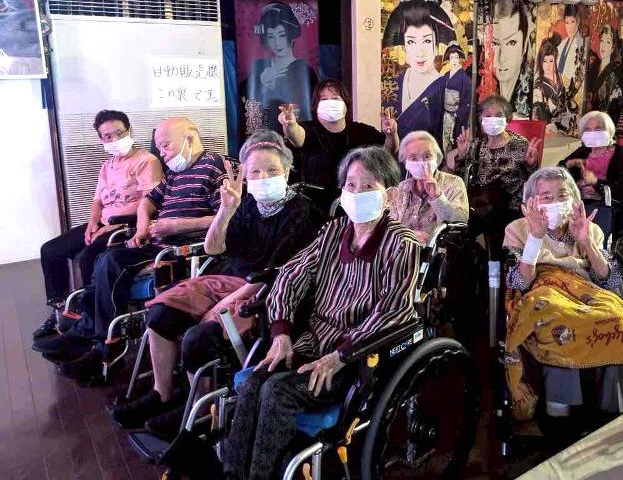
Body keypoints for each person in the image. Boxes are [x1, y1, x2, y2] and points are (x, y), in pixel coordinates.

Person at [222, 146, 421, 480]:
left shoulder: (401, 244)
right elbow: (290, 275)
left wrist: (341, 355)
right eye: (351, 185)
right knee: (255, 381)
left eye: (368, 186)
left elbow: (393, 310)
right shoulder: (333, 232)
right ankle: (232, 473)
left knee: (277, 392)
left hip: (356, 359)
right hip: (312, 342)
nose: (357, 193)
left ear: (389, 195)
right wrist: (281, 333)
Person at [109, 131, 322, 440]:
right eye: (255, 172)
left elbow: (279, 274)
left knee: (200, 337)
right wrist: (226, 209)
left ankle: (199, 416)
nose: (263, 178)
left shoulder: (303, 212)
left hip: (268, 291)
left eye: (272, 170)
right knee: (160, 314)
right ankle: (162, 394)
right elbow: (213, 248)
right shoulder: (246, 204)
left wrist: (222, 305)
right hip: (229, 278)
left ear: (287, 171)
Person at [33, 117, 228, 382]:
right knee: (102, 258)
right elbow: (148, 201)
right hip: (155, 240)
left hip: (180, 248)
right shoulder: (175, 172)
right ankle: (89, 332)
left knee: (110, 262)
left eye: (166, 146)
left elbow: (224, 217)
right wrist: (142, 225)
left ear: (189, 139)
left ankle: (106, 347)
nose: (162, 153)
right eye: (159, 147)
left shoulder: (216, 166)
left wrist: (176, 225)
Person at [504, 167, 623, 422]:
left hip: (585, 290)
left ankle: (610, 412)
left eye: (562, 195)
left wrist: (586, 241)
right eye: (546, 197)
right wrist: (535, 238)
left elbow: (609, 279)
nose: (556, 202)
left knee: (618, 318)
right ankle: (560, 415)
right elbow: (520, 282)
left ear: (573, 198)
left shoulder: (589, 229)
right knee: (559, 318)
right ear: (531, 203)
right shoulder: (518, 229)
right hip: (542, 291)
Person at [35, 110, 162, 339]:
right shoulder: (107, 166)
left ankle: (89, 317)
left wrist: (112, 225)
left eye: (119, 133)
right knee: (51, 250)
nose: (114, 139)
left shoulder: (147, 161)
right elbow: (97, 201)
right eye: (107, 136)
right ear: (101, 138)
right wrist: (93, 222)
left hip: (127, 224)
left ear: (129, 130)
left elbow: (150, 202)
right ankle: (59, 310)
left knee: (88, 257)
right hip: (103, 222)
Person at [279, 80, 398, 211]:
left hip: (356, 202)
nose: (330, 103)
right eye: (324, 99)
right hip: (313, 207)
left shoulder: (362, 131)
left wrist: (391, 134)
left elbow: (388, 151)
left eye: (335, 98)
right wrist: (290, 125)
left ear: (346, 104)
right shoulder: (309, 129)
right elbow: (297, 137)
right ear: (316, 106)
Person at [454, 94, 540, 257]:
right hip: (480, 204)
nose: (493, 119)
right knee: (458, 234)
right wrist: (462, 155)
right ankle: (475, 266)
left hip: (509, 206)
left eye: (499, 115)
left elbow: (533, 180)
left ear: (507, 120)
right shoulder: (477, 144)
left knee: (497, 240)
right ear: (481, 120)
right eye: (488, 116)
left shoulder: (520, 144)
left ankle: (495, 269)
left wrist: (531, 163)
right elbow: (460, 178)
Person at [382, 0, 457, 139]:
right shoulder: (395, 83)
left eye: (427, 41)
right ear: (404, 47)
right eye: (411, 42)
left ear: (437, 45)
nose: (419, 52)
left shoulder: (446, 87)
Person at [559, 111, 623, 245]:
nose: (593, 133)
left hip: (603, 204)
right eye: (588, 130)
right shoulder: (584, 151)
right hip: (576, 202)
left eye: (598, 129)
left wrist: (596, 182)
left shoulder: (621, 153)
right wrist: (568, 164)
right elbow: (557, 173)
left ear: (608, 131)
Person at [244, 2, 319, 134]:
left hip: (295, 137)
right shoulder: (259, 67)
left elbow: (311, 108)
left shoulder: (304, 71)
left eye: (282, 35)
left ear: (291, 35)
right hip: (264, 137)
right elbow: (246, 100)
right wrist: (262, 83)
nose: (277, 43)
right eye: (271, 36)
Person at [389, 130, 468, 243]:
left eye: (427, 156)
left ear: (437, 159)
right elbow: (390, 227)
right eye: (413, 158)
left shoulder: (454, 183)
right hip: (405, 249)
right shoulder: (402, 188)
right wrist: (411, 236)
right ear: (406, 163)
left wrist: (437, 197)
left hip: (438, 250)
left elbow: (459, 225)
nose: (421, 163)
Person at [486, 0, 533, 118]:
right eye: (495, 44)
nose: (502, 58)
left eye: (511, 43)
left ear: (524, 45)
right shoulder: (481, 85)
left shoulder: (533, 91)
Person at [588, 24, 623, 126]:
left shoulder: (616, 72)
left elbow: (617, 106)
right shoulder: (593, 67)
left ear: (612, 47)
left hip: (605, 123)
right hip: (589, 119)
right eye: (602, 41)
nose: (603, 45)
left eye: (608, 42)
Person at [440, 42, 471, 154]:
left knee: (455, 138)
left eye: (456, 57)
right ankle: (445, 159)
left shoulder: (464, 77)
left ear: (460, 59)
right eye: (451, 57)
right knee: (445, 138)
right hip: (446, 113)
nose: (454, 60)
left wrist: (458, 113)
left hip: (456, 114)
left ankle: (455, 160)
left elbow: (466, 98)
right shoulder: (446, 75)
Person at [555, 4, 587, 98]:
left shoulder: (583, 45)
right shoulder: (562, 44)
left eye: (572, 22)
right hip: (558, 90)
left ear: (578, 22)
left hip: (572, 93)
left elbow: (581, 75)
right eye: (567, 23)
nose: (570, 27)